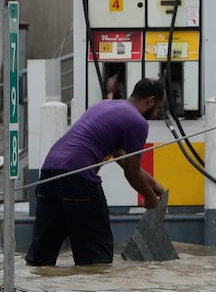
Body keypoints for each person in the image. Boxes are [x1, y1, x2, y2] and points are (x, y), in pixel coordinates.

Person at [26, 78, 168, 267]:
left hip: (50, 172)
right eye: (158, 108)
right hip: (79, 178)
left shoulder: (104, 106)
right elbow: (132, 173)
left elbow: (120, 156)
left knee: (41, 257)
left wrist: (152, 183)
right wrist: (150, 199)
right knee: (96, 260)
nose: (157, 114)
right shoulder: (137, 122)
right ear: (150, 101)